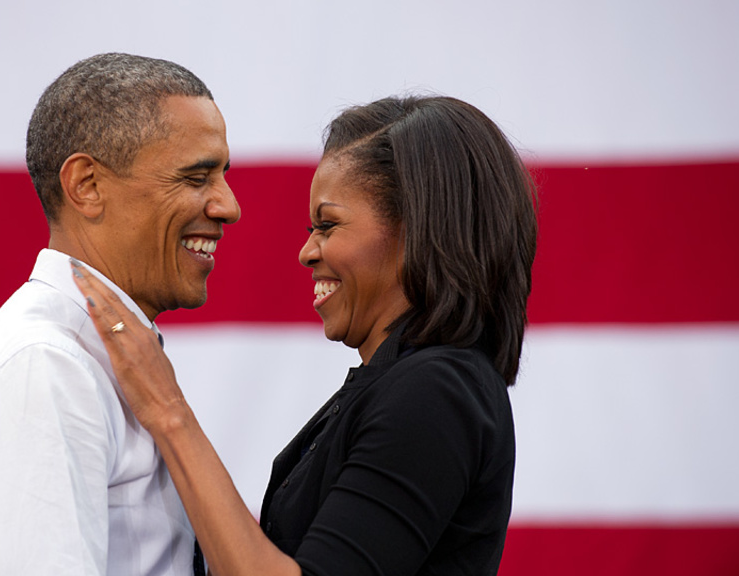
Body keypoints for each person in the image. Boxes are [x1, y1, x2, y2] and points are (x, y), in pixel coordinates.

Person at [70, 94, 538, 575]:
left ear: (415, 231)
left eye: (328, 225)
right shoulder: (408, 380)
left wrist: (168, 412)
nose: (307, 252)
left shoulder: (436, 391)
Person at [0, 52, 240, 576]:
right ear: (86, 185)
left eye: (222, 175)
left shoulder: (84, 356)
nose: (228, 205)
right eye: (196, 177)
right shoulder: (43, 366)